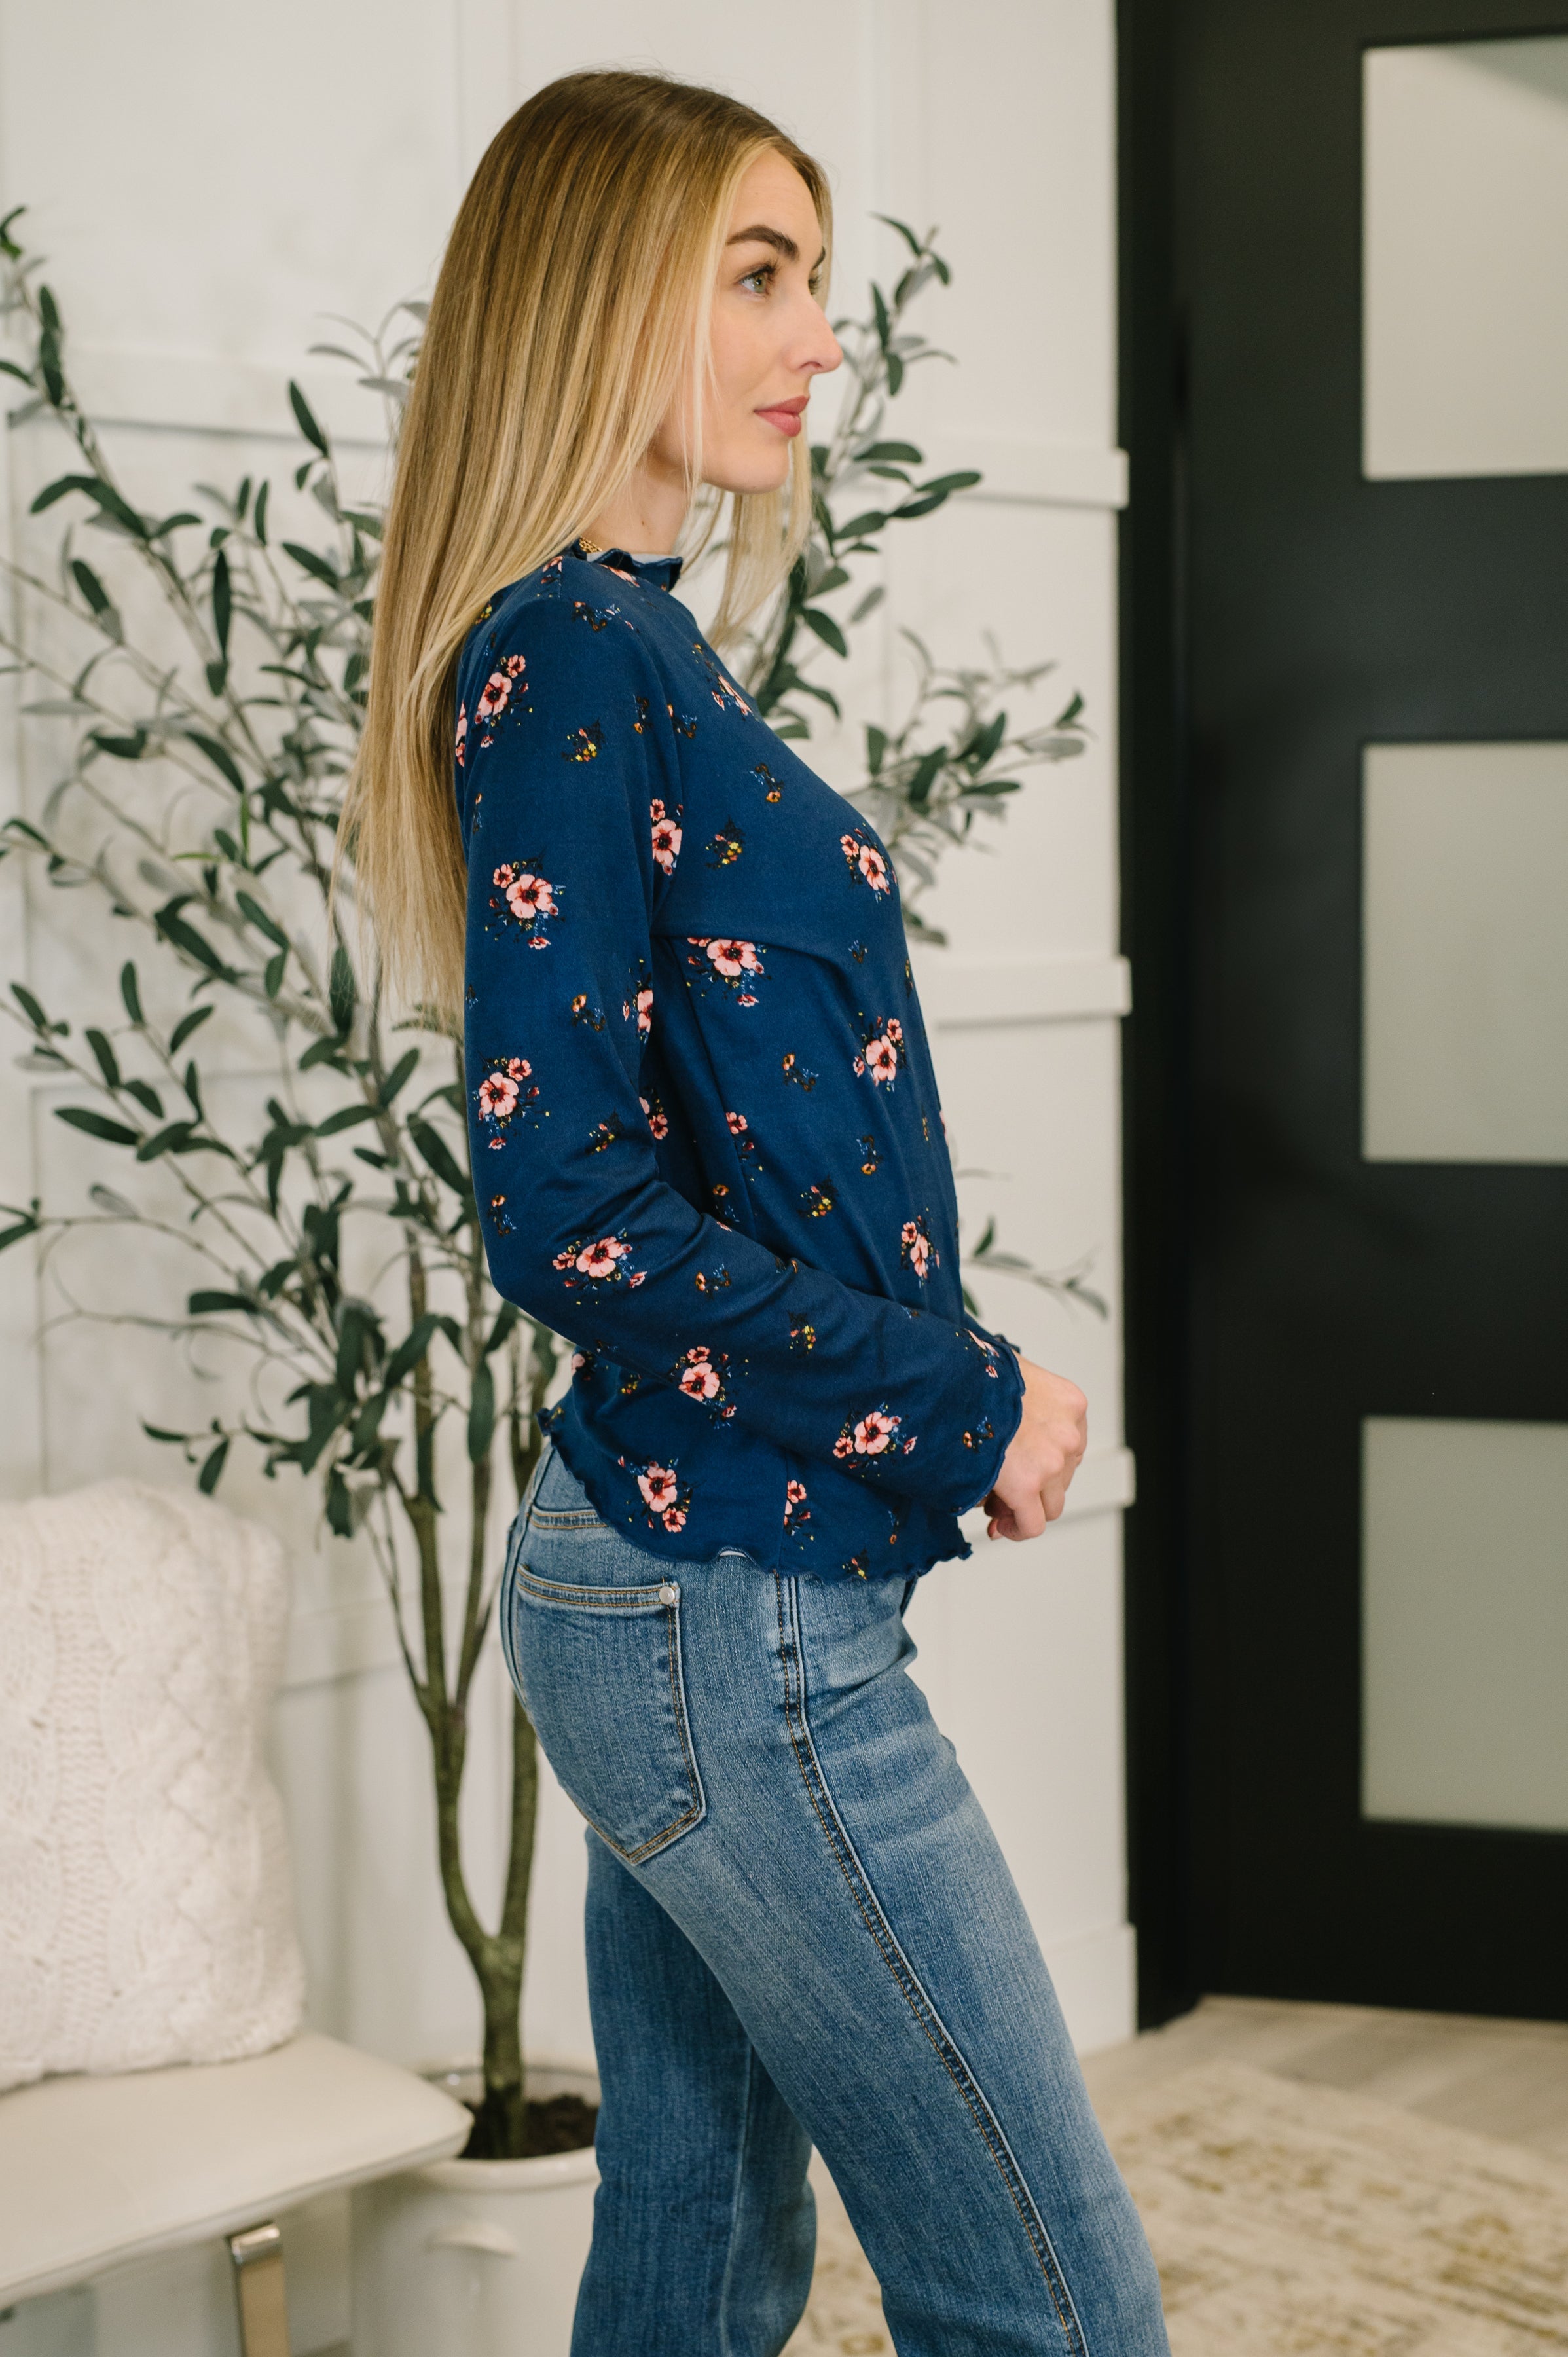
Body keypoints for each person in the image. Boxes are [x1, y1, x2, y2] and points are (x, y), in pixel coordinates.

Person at [350, 65, 1169, 2357]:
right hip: (722, 1611)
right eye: (758, 274)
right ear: (594, 295)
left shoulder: (625, 641)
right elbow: (567, 1208)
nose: (820, 336)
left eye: (813, 278)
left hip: (700, 1580)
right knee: (1052, 2306)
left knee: (697, 2267)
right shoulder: (570, 658)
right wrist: (965, 1395)